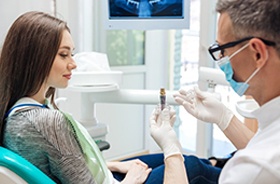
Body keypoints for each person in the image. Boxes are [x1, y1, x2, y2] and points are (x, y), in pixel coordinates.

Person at [0, 11, 225, 184]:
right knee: (193, 167)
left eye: (72, 53)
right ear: (35, 56)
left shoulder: (16, 111)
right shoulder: (47, 122)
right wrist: (132, 179)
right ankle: (241, 171)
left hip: (104, 175)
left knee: (187, 160)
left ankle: (221, 163)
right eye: (63, 54)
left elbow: (61, 165)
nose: (73, 63)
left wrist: (114, 165)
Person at [151, 0, 280, 183]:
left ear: (257, 53)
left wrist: (171, 151)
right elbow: (263, 145)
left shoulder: (254, 169)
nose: (221, 61)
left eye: (223, 51)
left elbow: (262, 160)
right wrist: (224, 118)